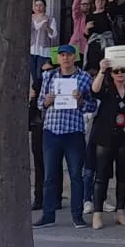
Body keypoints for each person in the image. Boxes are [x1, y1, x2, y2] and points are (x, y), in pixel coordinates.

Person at [35, 45, 96, 228]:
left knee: (76, 175)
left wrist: (81, 101)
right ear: (58, 58)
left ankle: (77, 215)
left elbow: (92, 106)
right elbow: (40, 103)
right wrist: (47, 101)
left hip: (73, 132)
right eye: (62, 55)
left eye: (68, 55)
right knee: (49, 176)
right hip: (52, 131)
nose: (65, 58)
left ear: (75, 57)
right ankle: (48, 214)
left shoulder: (84, 78)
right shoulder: (49, 76)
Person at [90, 60, 125, 229]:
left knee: (123, 177)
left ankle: (120, 212)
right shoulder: (106, 89)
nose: (120, 74)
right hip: (106, 138)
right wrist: (101, 70)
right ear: (111, 74)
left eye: (123, 71)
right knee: (101, 177)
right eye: (116, 71)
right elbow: (94, 90)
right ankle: (97, 213)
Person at [30, 0, 57, 83]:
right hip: (32, 51)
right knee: (33, 75)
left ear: (45, 7)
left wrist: (47, 28)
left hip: (44, 52)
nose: (38, 8)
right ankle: (36, 93)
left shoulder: (50, 19)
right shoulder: (30, 18)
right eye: (36, 5)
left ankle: (40, 93)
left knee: (40, 75)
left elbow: (53, 35)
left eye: (41, 5)